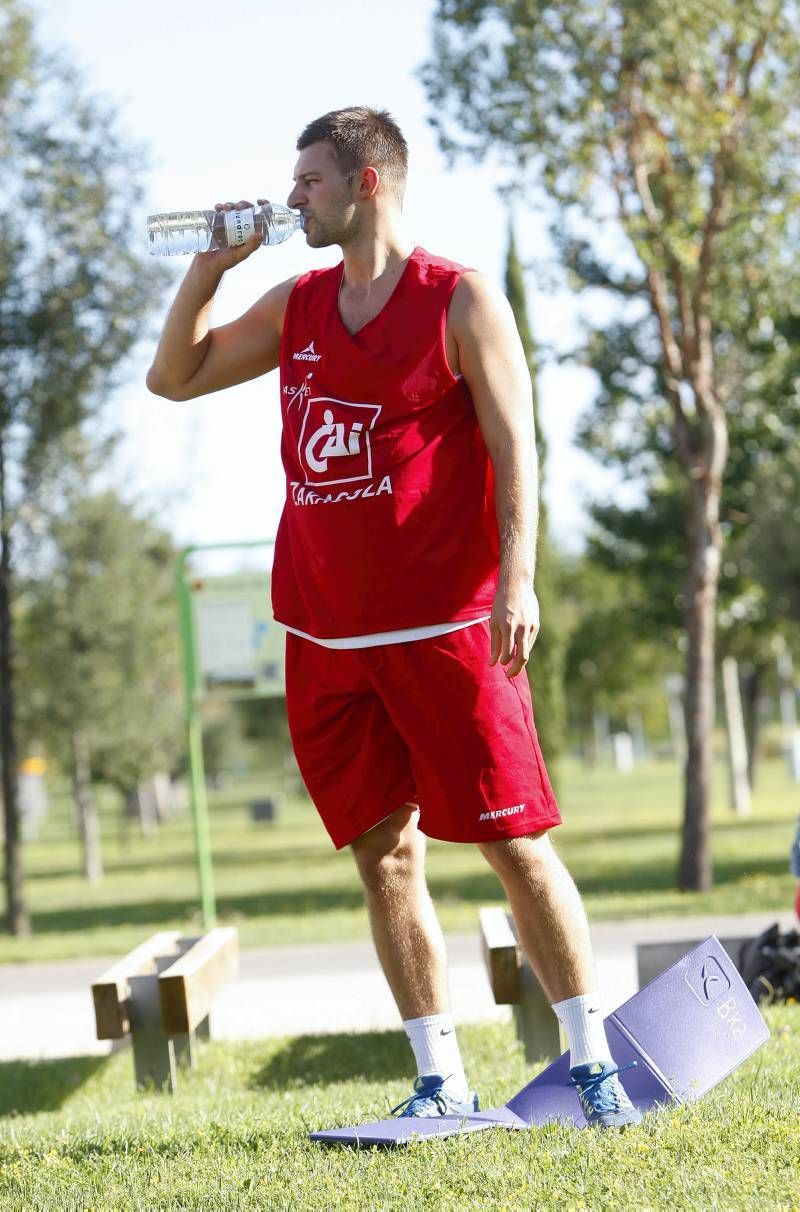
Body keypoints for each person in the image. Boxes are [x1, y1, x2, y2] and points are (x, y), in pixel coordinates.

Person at [147, 105, 641, 1129]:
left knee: (513, 844)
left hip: (446, 629)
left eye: (308, 183)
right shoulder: (297, 303)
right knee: (385, 855)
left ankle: (591, 1065)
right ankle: (439, 1079)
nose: (291, 200)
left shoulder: (460, 301)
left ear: (366, 184)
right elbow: (174, 377)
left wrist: (518, 579)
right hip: (325, 636)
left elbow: (518, 453)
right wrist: (209, 267)